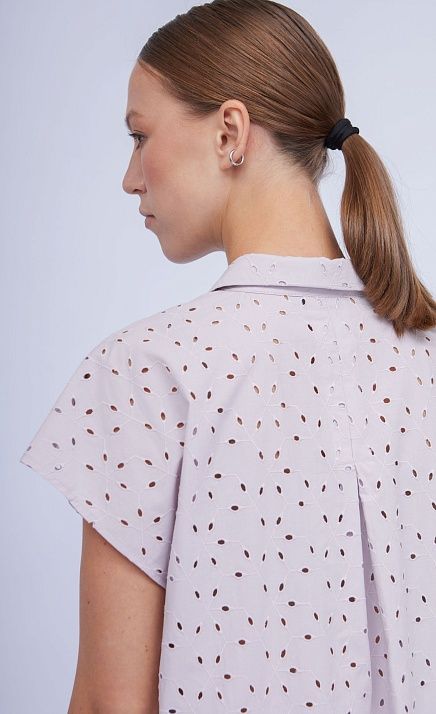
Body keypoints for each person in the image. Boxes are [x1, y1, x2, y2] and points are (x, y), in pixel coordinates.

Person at [19, 0, 436, 712]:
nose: (130, 176)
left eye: (139, 135)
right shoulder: (423, 355)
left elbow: (109, 703)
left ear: (230, 132)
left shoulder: (148, 370)